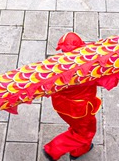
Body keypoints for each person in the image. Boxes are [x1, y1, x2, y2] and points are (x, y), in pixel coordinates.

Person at [42, 33, 101, 161]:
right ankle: (52, 150)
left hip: (60, 105)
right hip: (80, 109)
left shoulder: (56, 66)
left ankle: (79, 151)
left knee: (77, 127)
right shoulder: (89, 67)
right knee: (85, 132)